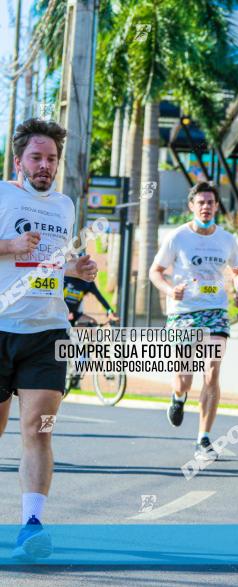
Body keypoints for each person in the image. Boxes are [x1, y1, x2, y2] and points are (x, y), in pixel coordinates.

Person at [0, 118, 99, 560]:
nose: (45, 166)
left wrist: (75, 269)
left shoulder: (64, 206)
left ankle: (32, 526)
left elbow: (51, 263)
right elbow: (20, 252)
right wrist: (10, 247)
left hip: (47, 330)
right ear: (18, 159)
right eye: (37, 158)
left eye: (51, 159)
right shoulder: (2, 195)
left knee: (39, 430)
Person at [149, 181, 238, 460]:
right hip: (183, 312)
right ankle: (178, 397)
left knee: (212, 372)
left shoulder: (228, 240)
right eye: (201, 202)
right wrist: (170, 289)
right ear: (191, 206)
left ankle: (203, 439)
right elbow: (155, 271)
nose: (206, 207)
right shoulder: (177, 237)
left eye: (210, 203)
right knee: (184, 376)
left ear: (216, 207)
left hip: (215, 311)